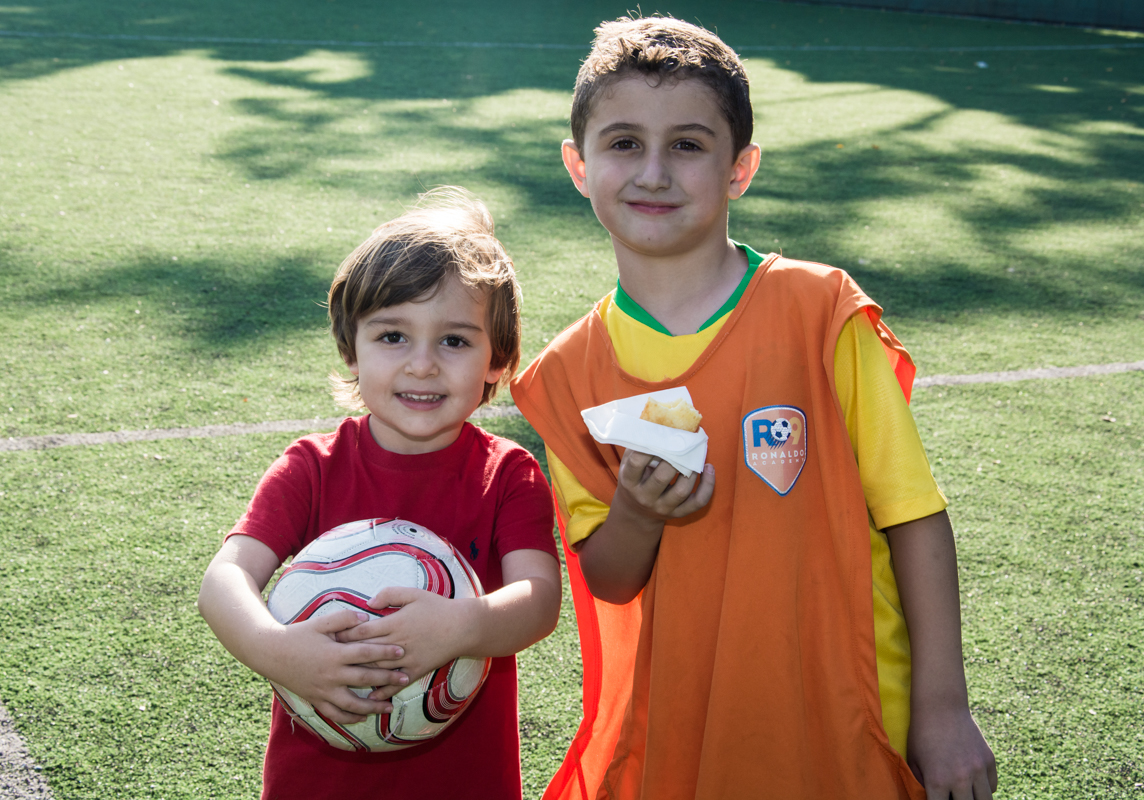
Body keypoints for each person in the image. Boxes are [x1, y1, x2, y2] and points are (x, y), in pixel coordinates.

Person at [510, 16, 997, 800]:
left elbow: (912, 515)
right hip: (687, 728)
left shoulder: (819, 310)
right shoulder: (569, 372)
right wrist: (638, 510)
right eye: (624, 143)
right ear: (578, 164)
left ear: (741, 168)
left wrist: (943, 711)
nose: (654, 173)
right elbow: (607, 578)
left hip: (849, 711)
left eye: (689, 145)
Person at [198, 188, 561, 800]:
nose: (422, 365)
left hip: (465, 783)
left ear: (497, 360)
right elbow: (223, 583)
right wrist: (278, 649)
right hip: (316, 785)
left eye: (454, 341)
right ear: (351, 347)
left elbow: (539, 600)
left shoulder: (509, 474)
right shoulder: (311, 468)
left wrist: (463, 625)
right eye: (393, 336)